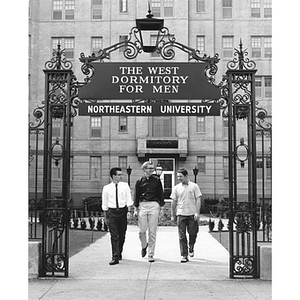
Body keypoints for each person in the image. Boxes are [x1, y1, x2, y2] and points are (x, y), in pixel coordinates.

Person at [134, 161, 164, 262]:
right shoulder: (139, 181)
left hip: (154, 205)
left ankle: (151, 254)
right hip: (142, 205)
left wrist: (161, 208)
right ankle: (144, 245)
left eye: (153, 168)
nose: (152, 170)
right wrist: (135, 208)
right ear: (144, 169)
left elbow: (161, 194)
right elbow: (136, 195)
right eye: (150, 168)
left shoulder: (157, 180)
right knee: (142, 231)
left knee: (152, 231)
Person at [102, 167, 133, 265]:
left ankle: (119, 251)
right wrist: (105, 216)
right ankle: (115, 256)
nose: (121, 176)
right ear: (113, 176)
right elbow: (105, 203)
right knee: (114, 235)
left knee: (122, 234)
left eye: (121, 174)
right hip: (112, 212)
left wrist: (129, 211)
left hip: (122, 212)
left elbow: (128, 199)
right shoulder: (106, 188)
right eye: (119, 175)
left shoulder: (125, 186)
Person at [171, 168, 202, 263]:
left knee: (193, 233)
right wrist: (173, 214)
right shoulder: (176, 188)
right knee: (182, 236)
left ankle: (191, 246)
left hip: (192, 214)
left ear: (186, 176)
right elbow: (173, 201)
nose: (179, 178)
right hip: (181, 214)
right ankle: (184, 255)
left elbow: (198, 199)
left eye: (180, 176)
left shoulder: (194, 186)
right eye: (177, 176)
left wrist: (197, 212)